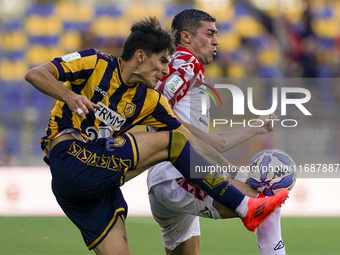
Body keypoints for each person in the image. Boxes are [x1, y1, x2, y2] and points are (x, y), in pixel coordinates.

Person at [25, 17, 288, 255]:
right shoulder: (95, 62)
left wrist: (236, 175)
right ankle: (244, 208)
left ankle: (244, 205)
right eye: (162, 61)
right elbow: (35, 73)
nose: (165, 70)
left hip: (98, 187)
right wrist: (69, 95)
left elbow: (189, 142)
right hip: (69, 160)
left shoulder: (151, 101)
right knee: (170, 141)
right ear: (140, 56)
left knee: (176, 141)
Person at [147, 9, 286, 255]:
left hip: (170, 180)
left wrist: (254, 128)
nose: (216, 41)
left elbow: (212, 146)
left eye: (217, 34)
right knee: (265, 203)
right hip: (177, 175)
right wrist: (203, 138)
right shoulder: (185, 62)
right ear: (186, 37)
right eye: (209, 33)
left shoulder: (190, 72)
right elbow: (155, 107)